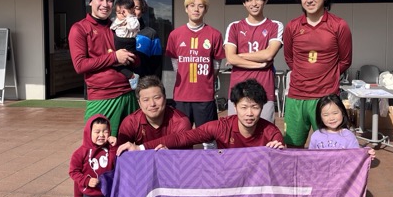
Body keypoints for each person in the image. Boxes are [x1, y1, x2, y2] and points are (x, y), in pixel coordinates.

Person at [67, 0, 139, 197]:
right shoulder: (80, 29)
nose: (105, 4)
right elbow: (80, 65)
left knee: (124, 152)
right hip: (101, 99)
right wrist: (113, 57)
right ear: (91, 1)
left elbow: (131, 58)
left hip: (127, 95)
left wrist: (131, 55)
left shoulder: (117, 26)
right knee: (91, 154)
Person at [283, 0, 352, 148]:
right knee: (293, 147)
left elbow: (345, 60)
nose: (309, 0)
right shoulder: (292, 26)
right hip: (296, 96)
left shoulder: (339, 25)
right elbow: (289, 58)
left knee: (330, 148)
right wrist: (304, 75)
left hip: (326, 97)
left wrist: (326, 77)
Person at [119, 79, 284, 152]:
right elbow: (182, 138)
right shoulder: (221, 127)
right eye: (244, 107)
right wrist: (140, 148)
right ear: (235, 106)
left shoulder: (271, 133)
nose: (249, 113)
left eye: (255, 107)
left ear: (262, 107)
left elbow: (282, 161)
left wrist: (279, 151)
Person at [166, 0, 225, 149]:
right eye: (192, 5)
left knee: (208, 139)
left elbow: (216, 65)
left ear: (206, 9)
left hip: (204, 97)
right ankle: (182, 165)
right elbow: (176, 65)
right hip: (181, 96)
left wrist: (206, 81)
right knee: (181, 139)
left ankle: (209, 164)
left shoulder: (214, 35)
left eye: (200, 6)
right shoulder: (175, 35)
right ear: (186, 8)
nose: (196, 9)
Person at [224, 0, 283, 123]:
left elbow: (268, 54)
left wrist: (240, 56)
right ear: (244, 3)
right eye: (249, 0)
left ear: (265, 0)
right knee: (236, 132)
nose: (254, 3)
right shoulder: (234, 27)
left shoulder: (275, 25)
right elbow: (230, 58)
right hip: (238, 91)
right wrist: (259, 65)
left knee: (264, 133)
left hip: (264, 90)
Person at [116, 75, 192, 147]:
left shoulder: (180, 122)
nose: (152, 104)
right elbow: (121, 152)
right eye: (146, 100)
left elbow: (185, 154)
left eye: (157, 98)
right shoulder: (131, 122)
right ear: (139, 103)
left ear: (165, 98)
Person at [309, 94, 375, 157]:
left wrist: (366, 153)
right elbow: (310, 158)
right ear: (320, 117)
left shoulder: (349, 136)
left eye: (335, 113)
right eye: (326, 115)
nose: (331, 118)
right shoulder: (316, 136)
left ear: (342, 113)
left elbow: (356, 155)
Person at [128, 0, 163, 80]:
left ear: (142, 11)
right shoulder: (114, 32)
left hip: (143, 85)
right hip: (119, 85)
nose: (133, 11)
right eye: (129, 7)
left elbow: (157, 67)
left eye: (136, 8)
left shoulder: (151, 34)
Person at [110, 0, 140, 84]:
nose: (122, 14)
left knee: (127, 62)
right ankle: (131, 76)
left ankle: (132, 76)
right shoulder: (117, 20)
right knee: (116, 64)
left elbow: (132, 27)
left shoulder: (133, 19)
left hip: (128, 43)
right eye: (118, 12)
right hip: (118, 42)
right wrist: (120, 23)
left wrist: (128, 16)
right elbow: (112, 27)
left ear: (132, 10)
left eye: (124, 12)